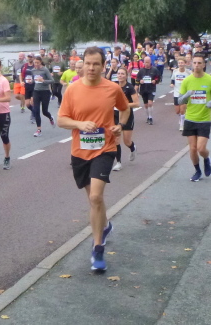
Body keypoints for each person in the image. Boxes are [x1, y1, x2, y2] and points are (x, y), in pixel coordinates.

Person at [58, 46, 129, 272]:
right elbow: (61, 120)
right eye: (88, 63)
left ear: (103, 65)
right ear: (83, 65)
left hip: (104, 149)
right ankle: (104, 226)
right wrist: (79, 124)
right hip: (80, 152)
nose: (91, 68)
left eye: (96, 64)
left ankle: (98, 248)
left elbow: (125, 109)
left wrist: (120, 125)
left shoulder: (112, 88)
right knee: (93, 200)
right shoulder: (73, 89)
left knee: (97, 196)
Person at [179, 54, 211, 182]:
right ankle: (197, 171)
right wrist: (186, 95)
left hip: (204, 119)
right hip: (190, 118)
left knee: (201, 148)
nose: (196, 65)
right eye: (195, 63)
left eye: (199, 63)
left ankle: (206, 159)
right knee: (192, 149)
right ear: (192, 64)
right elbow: (180, 100)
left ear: (203, 65)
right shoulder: (187, 81)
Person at [112, 66, 138, 171]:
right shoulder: (114, 86)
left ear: (126, 76)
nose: (120, 75)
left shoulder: (129, 87)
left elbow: (136, 103)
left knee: (127, 141)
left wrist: (123, 105)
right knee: (116, 140)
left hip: (127, 115)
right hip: (115, 115)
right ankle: (118, 163)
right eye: (118, 73)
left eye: (122, 74)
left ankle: (133, 148)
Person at [30, 56, 55, 137]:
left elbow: (52, 80)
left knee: (44, 111)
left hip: (45, 92)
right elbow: (34, 81)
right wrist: (31, 81)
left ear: (40, 62)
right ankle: (39, 130)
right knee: (36, 110)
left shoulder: (45, 70)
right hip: (36, 91)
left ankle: (50, 118)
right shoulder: (33, 70)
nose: (36, 64)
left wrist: (43, 81)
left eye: (37, 62)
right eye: (35, 63)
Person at [135, 56, 160, 125]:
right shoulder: (141, 70)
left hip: (151, 89)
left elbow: (158, 78)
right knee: (146, 105)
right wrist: (140, 81)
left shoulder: (154, 70)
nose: (146, 64)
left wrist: (155, 81)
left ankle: (150, 117)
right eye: (145, 62)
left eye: (148, 62)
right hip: (143, 89)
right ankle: (148, 116)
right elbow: (137, 79)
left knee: (150, 103)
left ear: (150, 62)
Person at [170, 58, 191, 131]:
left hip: (184, 93)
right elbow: (172, 79)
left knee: (182, 110)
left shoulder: (188, 72)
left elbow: (191, 81)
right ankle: (181, 118)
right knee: (177, 111)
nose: (180, 64)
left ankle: (182, 124)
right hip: (176, 93)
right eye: (179, 63)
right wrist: (172, 84)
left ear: (185, 63)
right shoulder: (175, 71)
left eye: (182, 63)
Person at [21, 53, 36, 123]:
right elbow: (21, 74)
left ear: (33, 58)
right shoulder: (24, 66)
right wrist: (21, 81)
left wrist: (34, 80)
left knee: (32, 101)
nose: (30, 58)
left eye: (31, 57)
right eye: (29, 57)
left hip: (34, 86)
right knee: (27, 104)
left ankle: (33, 115)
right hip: (27, 86)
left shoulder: (35, 66)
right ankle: (35, 112)